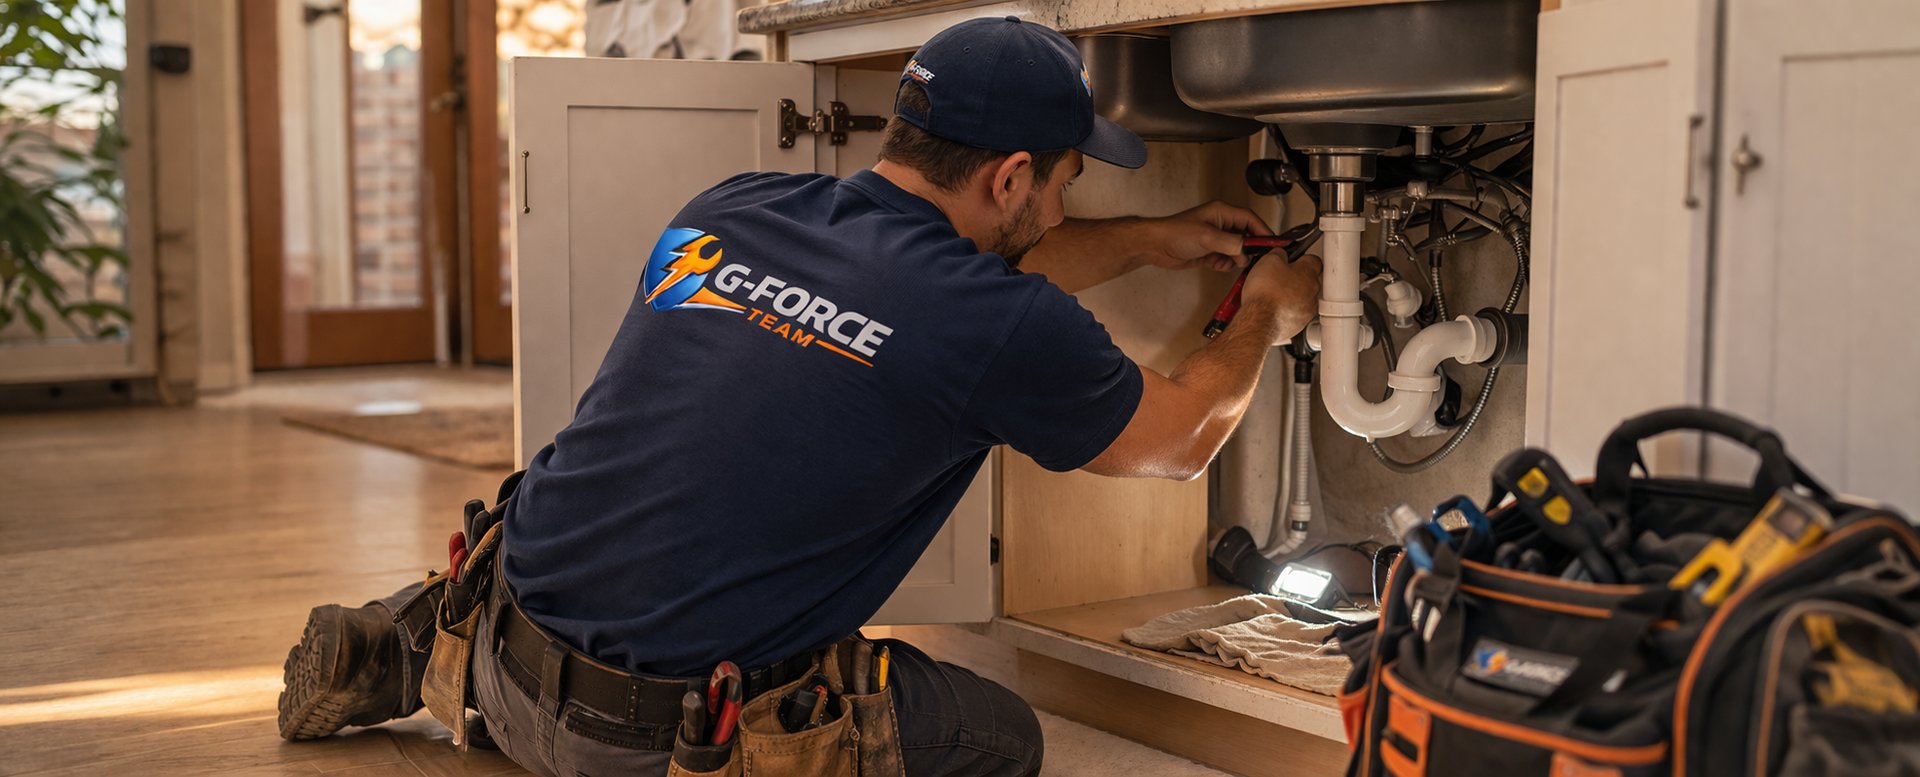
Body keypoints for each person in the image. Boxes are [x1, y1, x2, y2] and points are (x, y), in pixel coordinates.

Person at [276, 16, 1320, 777]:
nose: (1058, 206)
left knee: (587, 528)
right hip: (668, 742)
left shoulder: (733, 207)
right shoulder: (991, 323)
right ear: (1009, 179)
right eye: (1060, 185)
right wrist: (1266, 314)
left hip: (501, 652)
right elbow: (1182, 438)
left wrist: (1149, 240)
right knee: (1000, 738)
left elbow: (931, 298)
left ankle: (403, 642)